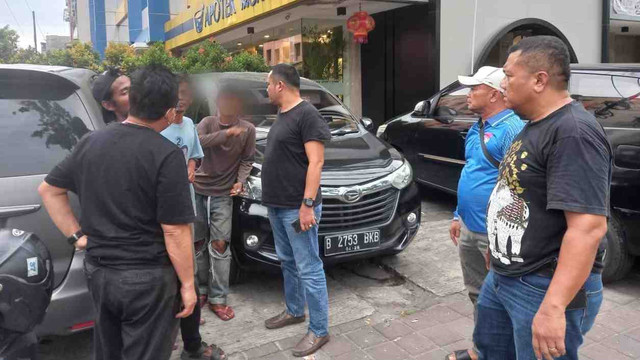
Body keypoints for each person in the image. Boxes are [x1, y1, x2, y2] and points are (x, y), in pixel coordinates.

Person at [38, 65, 197, 360]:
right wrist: (188, 285)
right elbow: (175, 230)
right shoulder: (166, 155)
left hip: (99, 272)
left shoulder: (90, 142)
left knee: (108, 350)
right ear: (168, 111)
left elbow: (49, 190)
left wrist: (77, 237)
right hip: (146, 279)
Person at [474, 36, 612, 360]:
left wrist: (553, 307)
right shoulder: (535, 124)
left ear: (539, 80)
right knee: (492, 350)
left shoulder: (573, 133)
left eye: (508, 75)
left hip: (540, 286)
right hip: (506, 275)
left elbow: (588, 228)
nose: (502, 83)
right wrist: (499, 249)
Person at [447, 66, 524, 360]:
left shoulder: (512, 129)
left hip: (492, 234)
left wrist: (499, 238)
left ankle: (505, 352)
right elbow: (472, 171)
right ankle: (482, 349)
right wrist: (457, 215)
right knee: (478, 293)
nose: (469, 94)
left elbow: (517, 189)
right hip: (469, 226)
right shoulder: (478, 126)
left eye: (474, 88)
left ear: (494, 94)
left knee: (503, 298)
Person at [261, 64, 331, 357]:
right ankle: (294, 310)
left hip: (296, 207)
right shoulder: (283, 114)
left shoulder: (307, 114)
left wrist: (307, 205)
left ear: (279, 85)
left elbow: (316, 163)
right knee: (288, 261)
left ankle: (319, 330)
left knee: (309, 267)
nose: (266, 90)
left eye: (268, 84)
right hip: (278, 205)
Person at [161, 75, 226, 360]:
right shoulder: (156, 128)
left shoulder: (188, 125)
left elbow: (194, 154)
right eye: (178, 93)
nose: (182, 98)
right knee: (167, 274)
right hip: (161, 214)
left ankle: (190, 332)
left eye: (186, 93)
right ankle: (168, 331)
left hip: (186, 205)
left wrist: (190, 166)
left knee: (186, 269)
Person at [193, 83, 256, 321]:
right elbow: (198, 145)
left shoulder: (247, 129)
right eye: (224, 99)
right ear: (218, 102)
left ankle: (218, 298)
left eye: (233, 100)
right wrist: (226, 134)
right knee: (198, 243)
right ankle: (200, 290)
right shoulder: (207, 123)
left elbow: (247, 160)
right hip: (198, 189)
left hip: (223, 193)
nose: (228, 104)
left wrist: (240, 181)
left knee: (220, 245)